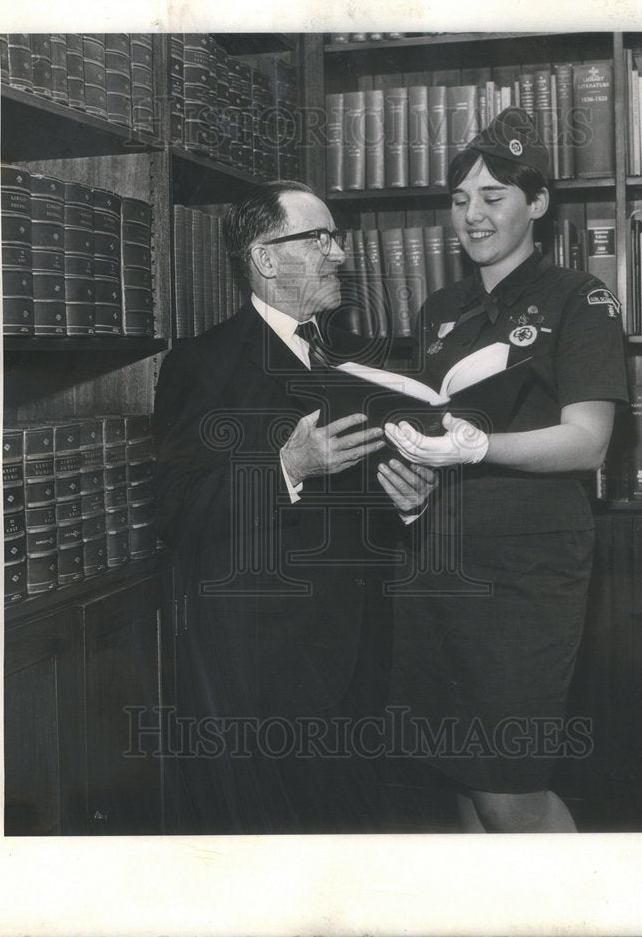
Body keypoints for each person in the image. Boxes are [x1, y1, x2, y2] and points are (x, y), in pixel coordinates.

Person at [153, 180, 436, 833]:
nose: (338, 255)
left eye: (335, 239)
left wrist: (406, 503)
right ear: (265, 256)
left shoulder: (350, 358)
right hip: (263, 672)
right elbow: (173, 508)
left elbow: (354, 497)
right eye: (319, 239)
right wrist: (286, 465)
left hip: (356, 656)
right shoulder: (202, 364)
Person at [384, 108, 629, 832]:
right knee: (460, 776)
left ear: (537, 203)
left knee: (506, 784)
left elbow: (588, 442)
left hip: (526, 572)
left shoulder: (578, 299)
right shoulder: (440, 308)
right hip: (437, 560)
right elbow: (436, 424)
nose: (472, 216)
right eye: (460, 201)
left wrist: (479, 449)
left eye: (493, 198)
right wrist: (413, 483)